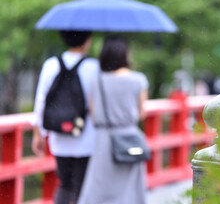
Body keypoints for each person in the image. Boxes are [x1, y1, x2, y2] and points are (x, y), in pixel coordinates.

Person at [78, 36, 149, 204]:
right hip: (130, 138)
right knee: (130, 188)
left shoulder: (97, 82)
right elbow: (142, 113)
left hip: (105, 138)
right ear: (125, 55)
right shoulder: (138, 79)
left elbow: (94, 114)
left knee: (100, 186)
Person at [31, 30, 99, 204]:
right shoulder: (93, 66)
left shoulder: (51, 64)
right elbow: (97, 105)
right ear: (87, 40)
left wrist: (38, 133)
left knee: (65, 184)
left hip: (59, 133)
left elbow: (41, 100)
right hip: (86, 135)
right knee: (82, 186)